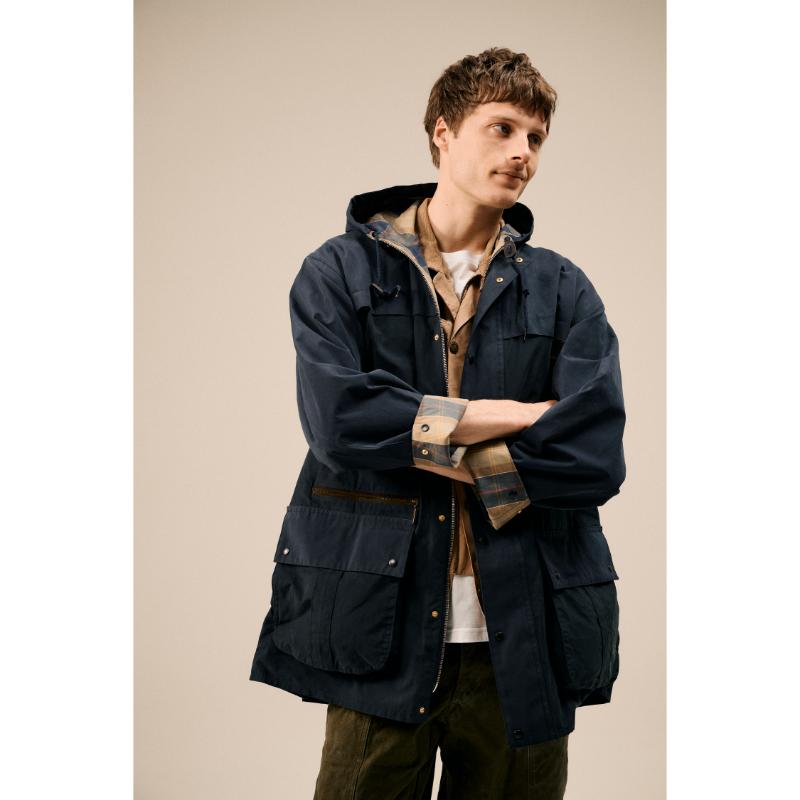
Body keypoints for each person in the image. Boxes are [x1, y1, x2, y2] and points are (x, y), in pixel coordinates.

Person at [249, 46, 627, 799]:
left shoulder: (563, 288)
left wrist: (423, 439)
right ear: (443, 132)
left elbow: (594, 456)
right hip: (380, 630)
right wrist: (503, 416)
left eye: (536, 138)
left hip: (525, 627)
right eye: (502, 128)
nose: (522, 153)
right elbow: (339, 424)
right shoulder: (339, 272)